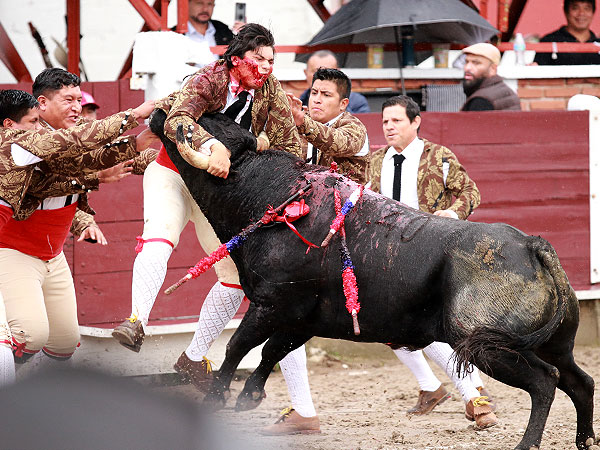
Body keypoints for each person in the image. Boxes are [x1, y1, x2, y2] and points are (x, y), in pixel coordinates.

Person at [111, 24, 301, 391]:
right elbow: (177, 120)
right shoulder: (206, 79)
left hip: (215, 189)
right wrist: (215, 146)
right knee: (161, 235)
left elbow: (287, 142)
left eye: (270, 61)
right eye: (257, 59)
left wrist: (261, 150)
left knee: (233, 275)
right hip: (173, 171)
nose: (265, 67)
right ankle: (136, 320)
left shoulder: (270, 90)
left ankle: (194, 357)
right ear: (235, 59)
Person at [0, 73, 156, 370]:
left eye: (78, 99)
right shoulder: (25, 138)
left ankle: (43, 403)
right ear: (42, 103)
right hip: (13, 249)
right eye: (68, 100)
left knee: (64, 342)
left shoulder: (80, 129)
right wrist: (96, 174)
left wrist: (172, 156)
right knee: (29, 334)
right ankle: (15, 399)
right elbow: (48, 180)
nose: (77, 106)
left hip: (52, 254)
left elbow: (119, 157)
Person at [368, 95, 497, 430]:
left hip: (431, 251)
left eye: (396, 121)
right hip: (389, 254)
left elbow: (470, 193)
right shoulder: (376, 159)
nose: (389, 127)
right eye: (385, 122)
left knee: (420, 324)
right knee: (391, 325)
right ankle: (438, 387)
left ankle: (469, 392)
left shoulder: (438, 157)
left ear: (416, 122)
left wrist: (452, 213)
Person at [260, 67, 370, 435]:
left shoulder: (354, 129)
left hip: (358, 242)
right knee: (286, 311)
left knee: (400, 321)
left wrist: (300, 122)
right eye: (314, 92)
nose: (316, 99)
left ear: (344, 102)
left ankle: (473, 393)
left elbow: (339, 144)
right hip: (314, 242)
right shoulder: (301, 130)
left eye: (325, 94)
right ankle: (303, 411)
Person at [300, 50, 370, 115]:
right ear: (306, 73)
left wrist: (339, 106)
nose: (322, 77)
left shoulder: (357, 102)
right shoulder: (299, 103)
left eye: (328, 72)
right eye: (316, 72)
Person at [534, 0, 600, 65]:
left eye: (587, 8)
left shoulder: (598, 44)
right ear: (566, 11)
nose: (581, 13)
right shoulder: (549, 41)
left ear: (593, 12)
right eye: (575, 8)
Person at [460, 43, 521, 111]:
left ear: (493, 69)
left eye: (476, 63)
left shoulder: (481, 100)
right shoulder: (502, 89)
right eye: (466, 62)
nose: (467, 68)